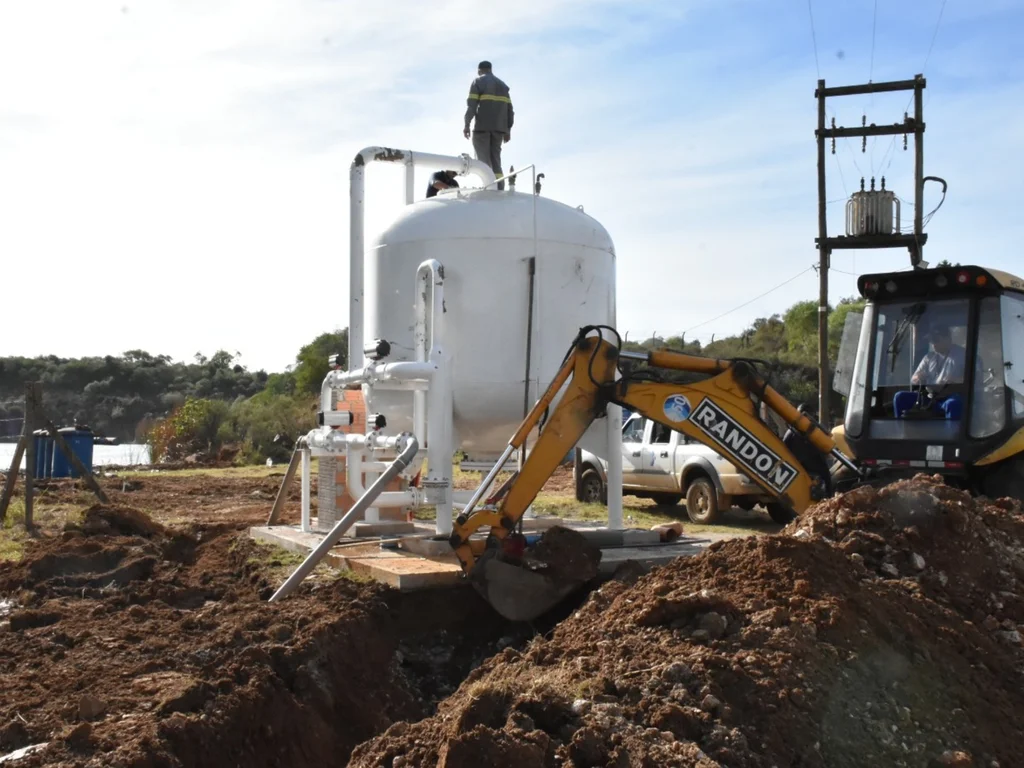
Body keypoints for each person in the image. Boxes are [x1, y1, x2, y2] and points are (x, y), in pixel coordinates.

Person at [893, 324, 966, 419]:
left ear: (947, 339)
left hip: (949, 396)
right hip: (929, 397)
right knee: (900, 397)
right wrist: (918, 378)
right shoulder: (929, 357)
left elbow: (974, 379)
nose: (933, 344)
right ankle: (900, 431)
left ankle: (953, 433)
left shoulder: (963, 355)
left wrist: (956, 381)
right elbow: (914, 379)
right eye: (931, 341)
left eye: (936, 340)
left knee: (953, 404)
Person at [463, 60, 513, 190]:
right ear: (491, 69)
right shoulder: (503, 86)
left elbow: (472, 106)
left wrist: (467, 124)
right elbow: (510, 110)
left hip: (482, 128)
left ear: (479, 70)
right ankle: (500, 186)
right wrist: (508, 130)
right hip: (499, 130)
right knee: (496, 160)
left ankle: (488, 187)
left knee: (483, 161)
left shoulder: (478, 82)